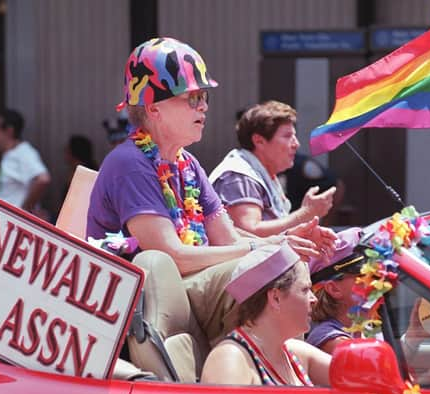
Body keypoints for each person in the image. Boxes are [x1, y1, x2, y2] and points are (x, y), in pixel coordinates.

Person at [86, 37, 333, 345]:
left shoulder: (186, 163)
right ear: (154, 108)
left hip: (186, 292)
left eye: (204, 97)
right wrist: (265, 249)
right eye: (192, 97)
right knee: (265, 276)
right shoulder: (130, 163)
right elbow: (173, 257)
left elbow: (228, 239)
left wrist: (283, 243)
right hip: (144, 309)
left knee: (285, 268)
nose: (203, 105)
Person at [201, 243, 331, 386]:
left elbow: (355, 373)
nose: (314, 299)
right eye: (305, 289)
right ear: (276, 298)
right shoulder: (230, 358)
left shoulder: (294, 351)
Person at [209, 101, 337, 242]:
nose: (296, 144)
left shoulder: (262, 172)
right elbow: (248, 232)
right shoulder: (239, 177)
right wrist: (305, 213)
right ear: (259, 141)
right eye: (287, 136)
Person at [306, 227, 363, 354]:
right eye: (364, 274)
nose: (378, 278)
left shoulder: (363, 326)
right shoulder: (332, 340)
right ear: (334, 289)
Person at [0, 108, 51, 213]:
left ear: (9, 131)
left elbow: (43, 179)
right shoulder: (11, 153)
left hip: (16, 225)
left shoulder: (23, 152)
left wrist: (25, 211)